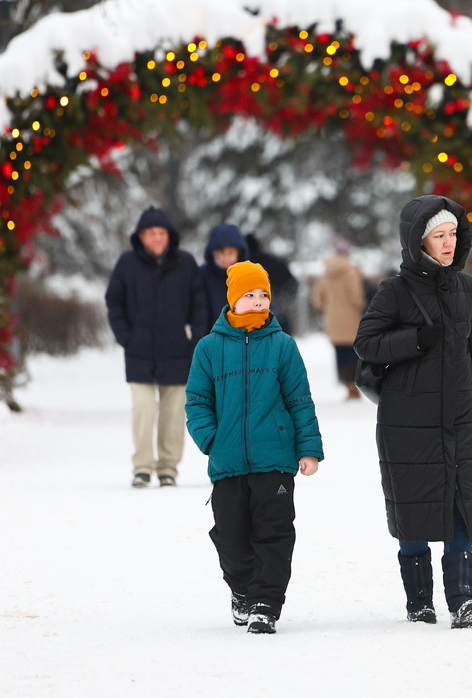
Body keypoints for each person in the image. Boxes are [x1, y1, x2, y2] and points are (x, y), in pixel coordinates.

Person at [353, 195, 472, 629]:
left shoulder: (466, 289)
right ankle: (419, 603)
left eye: (453, 234)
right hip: (408, 422)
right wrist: (415, 340)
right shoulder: (394, 291)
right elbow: (365, 344)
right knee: (415, 510)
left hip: (459, 417)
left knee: (460, 506)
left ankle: (462, 599)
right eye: (439, 236)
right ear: (418, 241)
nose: (449, 243)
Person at [185, 261, 324, 635]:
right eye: (250, 295)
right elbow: (196, 400)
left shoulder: (282, 346)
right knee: (230, 536)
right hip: (228, 462)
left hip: (274, 460)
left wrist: (307, 449)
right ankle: (243, 590)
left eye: (264, 294)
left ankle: (266, 602)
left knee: (274, 534)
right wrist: (211, 439)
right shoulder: (209, 348)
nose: (259, 301)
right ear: (233, 300)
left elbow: (299, 400)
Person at [105, 206, 211, 489]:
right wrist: (125, 336)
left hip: (178, 351)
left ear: (169, 236)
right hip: (139, 351)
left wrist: (196, 341)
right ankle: (142, 467)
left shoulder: (185, 263)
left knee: (174, 412)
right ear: (140, 236)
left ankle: (168, 468)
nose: (156, 238)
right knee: (143, 408)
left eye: (161, 233)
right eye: (151, 233)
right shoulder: (127, 264)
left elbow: (199, 306)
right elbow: (114, 301)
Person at [310, 239, 366, 400]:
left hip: (333, 320)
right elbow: (356, 297)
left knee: (340, 353)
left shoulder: (324, 275)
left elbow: (317, 300)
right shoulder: (351, 272)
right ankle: (355, 386)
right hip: (351, 320)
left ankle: (347, 386)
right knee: (353, 352)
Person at [245, 234, 300, 335]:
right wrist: (281, 304)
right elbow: (292, 285)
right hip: (279, 321)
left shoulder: (239, 267)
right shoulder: (275, 262)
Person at [199, 223, 248, 322]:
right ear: (214, 253)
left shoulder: (249, 275)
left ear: (239, 253)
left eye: (230, 253)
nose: (226, 258)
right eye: (221, 253)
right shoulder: (202, 275)